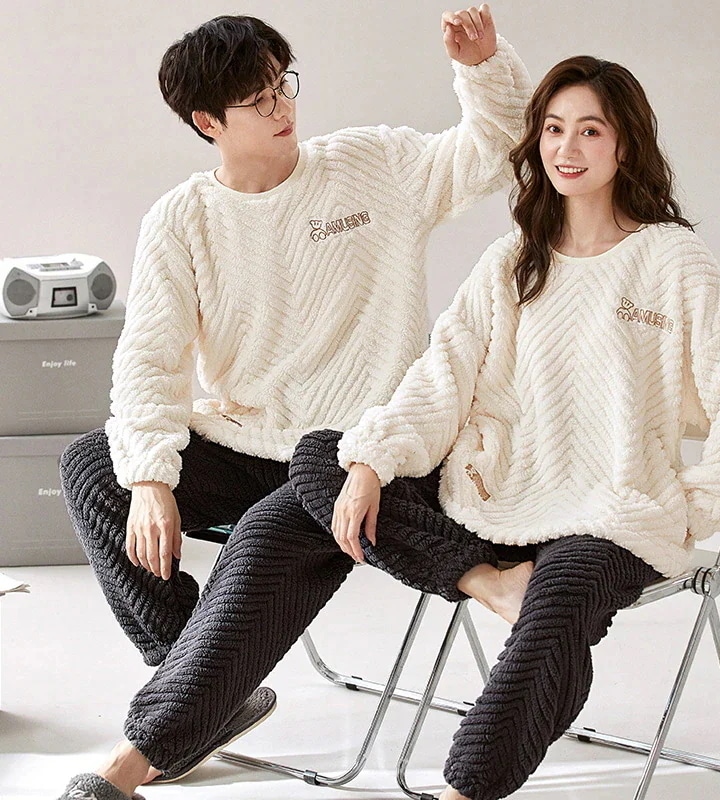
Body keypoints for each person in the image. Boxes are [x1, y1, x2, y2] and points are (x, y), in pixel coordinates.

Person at [57, 7, 533, 800]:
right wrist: (148, 478)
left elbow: (497, 148)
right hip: (251, 438)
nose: (282, 108)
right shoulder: (182, 219)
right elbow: (149, 359)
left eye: (284, 85)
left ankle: (134, 760)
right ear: (208, 122)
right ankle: (206, 688)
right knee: (92, 466)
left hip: (361, 451)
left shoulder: (371, 164)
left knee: (264, 538)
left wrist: (481, 68)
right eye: (258, 100)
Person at [289, 55, 720, 800]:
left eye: (590, 130)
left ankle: (464, 790)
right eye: (553, 129)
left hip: (611, 515)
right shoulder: (512, 262)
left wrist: (694, 507)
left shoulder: (671, 258)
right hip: (494, 498)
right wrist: (371, 464)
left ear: (625, 144)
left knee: (559, 603)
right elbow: (442, 376)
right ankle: (492, 584)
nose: (567, 148)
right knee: (324, 457)